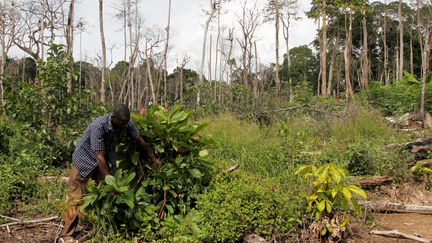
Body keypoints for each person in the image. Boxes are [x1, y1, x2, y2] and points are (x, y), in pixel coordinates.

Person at [59, 104, 160, 243]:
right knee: (76, 198)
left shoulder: (126, 123)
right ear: (113, 118)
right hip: (84, 160)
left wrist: (153, 158)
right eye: (122, 123)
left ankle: (105, 227)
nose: (125, 126)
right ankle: (66, 235)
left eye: (126, 123)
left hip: (104, 162)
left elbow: (139, 141)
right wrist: (109, 180)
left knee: (108, 195)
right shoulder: (98, 126)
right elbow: (99, 156)